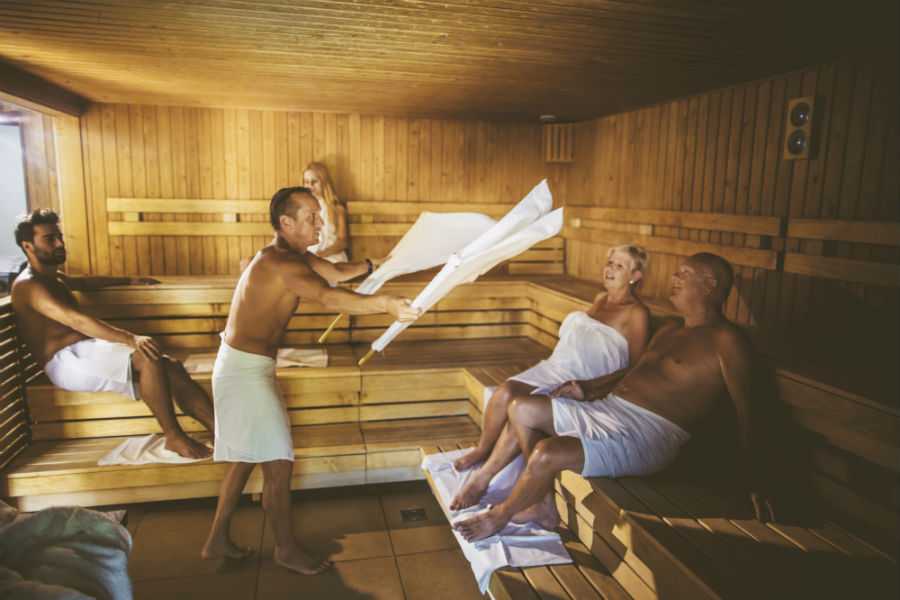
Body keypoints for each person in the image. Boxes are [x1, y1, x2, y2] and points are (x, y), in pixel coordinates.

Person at [454, 253, 774, 542]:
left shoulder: (726, 341)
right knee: (521, 407)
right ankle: (509, 488)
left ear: (709, 284)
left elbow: (752, 413)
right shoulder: (670, 330)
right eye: (676, 272)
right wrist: (587, 388)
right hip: (607, 407)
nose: (674, 278)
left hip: (647, 433)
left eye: (684, 273)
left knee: (545, 452)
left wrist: (758, 480)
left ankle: (501, 515)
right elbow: (631, 372)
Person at [201, 186, 420, 574]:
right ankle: (285, 549)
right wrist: (386, 304)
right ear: (286, 223)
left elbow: (336, 273)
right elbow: (329, 297)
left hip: (244, 366)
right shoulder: (281, 265)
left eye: (320, 215)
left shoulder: (294, 255)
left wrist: (380, 264)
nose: (321, 223)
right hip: (243, 374)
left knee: (243, 460)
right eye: (312, 217)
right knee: (278, 463)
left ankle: (216, 540)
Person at [450, 245, 651, 509]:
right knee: (505, 391)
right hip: (559, 365)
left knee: (520, 409)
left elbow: (636, 366)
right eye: (610, 263)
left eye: (620, 266)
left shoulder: (637, 313)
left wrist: (591, 387)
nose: (610, 269)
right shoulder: (601, 298)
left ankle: (486, 478)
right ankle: (482, 450)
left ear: (635, 276)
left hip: (586, 376)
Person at [11, 209, 213, 459]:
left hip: (86, 352)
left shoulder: (52, 277)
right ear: (28, 246)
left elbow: (84, 283)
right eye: (50, 239)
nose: (60, 244)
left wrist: (129, 280)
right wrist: (131, 339)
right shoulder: (29, 285)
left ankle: (220, 432)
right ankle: (174, 436)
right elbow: (76, 320)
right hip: (66, 362)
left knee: (171, 366)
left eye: (59, 236)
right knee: (148, 357)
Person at [303, 162, 348, 263]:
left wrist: (321, 255)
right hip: (308, 258)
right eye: (306, 182)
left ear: (323, 182)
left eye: (314, 182)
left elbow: (342, 242)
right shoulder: (301, 209)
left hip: (332, 257)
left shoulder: (337, 209)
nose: (310, 186)